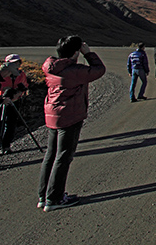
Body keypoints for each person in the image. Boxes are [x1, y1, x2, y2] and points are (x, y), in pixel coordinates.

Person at [38, 36, 106, 210]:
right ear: (76, 52)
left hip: (52, 113)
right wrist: (88, 54)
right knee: (64, 156)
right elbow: (99, 70)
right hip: (70, 115)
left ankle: (44, 195)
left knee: (51, 155)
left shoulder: (51, 66)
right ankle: (54, 198)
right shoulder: (74, 70)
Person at [0, 54, 29, 157]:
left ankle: (6, 146)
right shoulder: (0, 74)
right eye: (13, 62)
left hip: (14, 102)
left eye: (17, 62)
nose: (16, 64)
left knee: (11, 124)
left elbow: (25, 86)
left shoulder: (21, 74)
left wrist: (18, 93)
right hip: (0, 101)